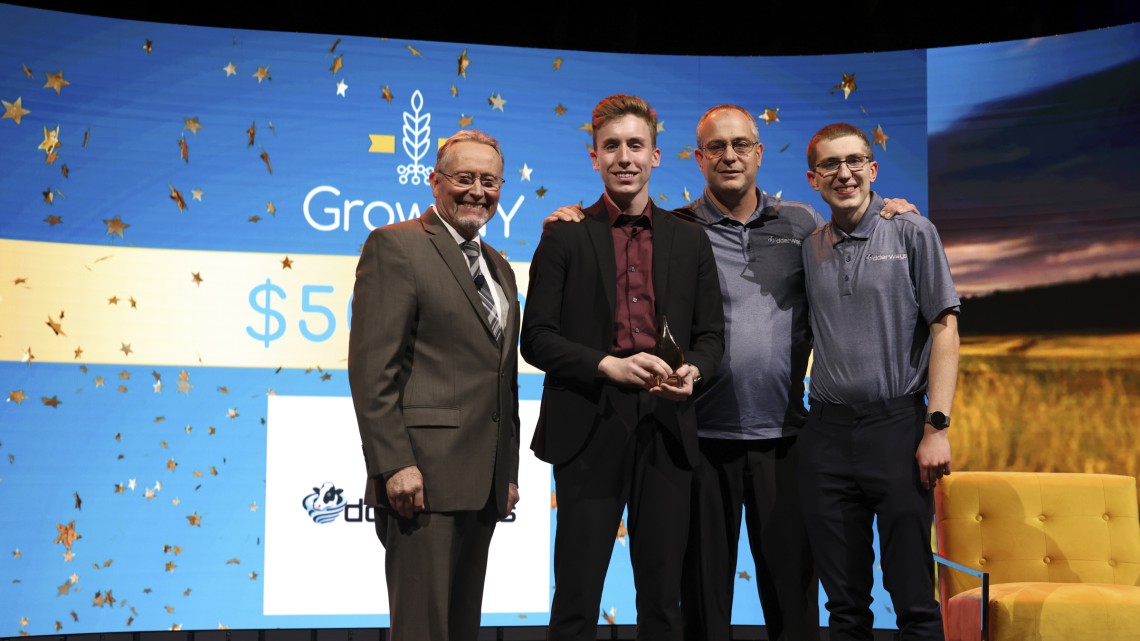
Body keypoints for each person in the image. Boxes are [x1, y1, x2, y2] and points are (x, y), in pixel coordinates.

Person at [546, 105, 916, 641]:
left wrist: (890, 212)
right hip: (701, 440)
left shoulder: (802, 225)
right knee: (701, 606)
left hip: (787, 437)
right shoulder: (679, 229)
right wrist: (570, 218)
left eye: (741, 144)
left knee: (793, 599)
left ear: (760, 153)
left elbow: (852, 235)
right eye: (716, 147)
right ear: (696, 159)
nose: (730, 156)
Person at [520, 94, 725, 641]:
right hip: (588, 424)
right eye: (612, 146)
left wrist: (694, 374)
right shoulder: (563, 234)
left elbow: (711, 337)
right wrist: (606, 366)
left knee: (662, 599)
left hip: (666, 427)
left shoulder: (689, 238)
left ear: (657, 156)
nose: (624, 157)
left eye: (636, 145)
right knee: (576, 597)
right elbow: (535, 339)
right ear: (594, 157)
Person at [347, 130, 521, 641]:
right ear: (435, 181)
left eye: (489, 181)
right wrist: (394, 464)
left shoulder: (500, 268)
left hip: (482, 483)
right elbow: (372, 370)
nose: (477, 191)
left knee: (462, 626)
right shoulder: (395, 246)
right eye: (464, 178)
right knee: (422, 630)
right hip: (420, 481)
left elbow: (500, 377)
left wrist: (505, 471)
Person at [798, 123, 959, 641]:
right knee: (844, 605)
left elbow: (945, 329)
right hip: (825, 435)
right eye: (830, 165)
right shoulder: (809, 246)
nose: (843, 173)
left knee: (913, 596)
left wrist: (936, 426)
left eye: (854, 161)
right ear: (813, 178)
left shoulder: (912, 230)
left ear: (873, 168)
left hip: (897, 428)